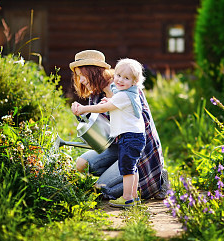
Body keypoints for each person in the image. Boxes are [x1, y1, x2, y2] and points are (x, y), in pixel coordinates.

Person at [68, 50, 168, 202]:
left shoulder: (126, 86)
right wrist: (82, 116)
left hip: (138, 151)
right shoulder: (96, 95)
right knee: (81, 164)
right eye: (77, 75)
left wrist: (111, 106)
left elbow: (144, 126)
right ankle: (115, 178)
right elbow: (101, 134)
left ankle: (156, 181)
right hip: (116, 145)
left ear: (93, 71)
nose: (80, 80)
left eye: (82, 74)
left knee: (101, 190)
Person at [72, 58, 146, 207]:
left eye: (82, 74)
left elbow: (104, 109)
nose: (118, 80)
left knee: (122, 173)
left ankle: (127, 197)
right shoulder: (113, 93)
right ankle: (133, 196)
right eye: (118, 76)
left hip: (132, 140)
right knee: (130, 167)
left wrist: (84, 109)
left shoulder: (125, 93)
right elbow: (105, 118)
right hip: (122, 141)